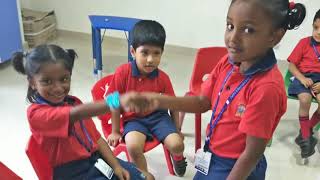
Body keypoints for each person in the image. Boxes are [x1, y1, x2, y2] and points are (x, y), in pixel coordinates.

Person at [128, 1, 306, 179]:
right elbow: (202, 102)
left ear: (274, 37)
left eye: (248, 30)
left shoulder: (266, 89)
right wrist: (158, 100)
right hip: (212, 152)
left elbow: (251, 155)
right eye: (230, 26)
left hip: (236, 167)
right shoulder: (228, 62)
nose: (233, 38)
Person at [11, 44, 153, 180]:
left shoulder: (74, 102)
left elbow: (97, 139)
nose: (58, 88)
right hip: (72, 174)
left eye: (64, 79)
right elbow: (75, 114)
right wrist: (116, 101)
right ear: (32, 82)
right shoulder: (36, 114)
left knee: (148, 177)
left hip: (95, 160)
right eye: (47, 81)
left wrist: (116, 166)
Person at [105, 20, 187, 177]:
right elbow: (113, 101)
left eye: (156, 53)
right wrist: (115, 131)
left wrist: (177, 129)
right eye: (145, 53)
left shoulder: (163, 77)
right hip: (133, 119)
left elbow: (174, 105)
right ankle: (144, 176)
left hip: (158, 117)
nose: (150, 59)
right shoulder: (123, 72)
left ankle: (177, 158)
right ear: (133, 52)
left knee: (177, 144)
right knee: (133, 147)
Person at [287, 9, 320, 159]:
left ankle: (305, 131)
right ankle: (306, 139)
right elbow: (292, 66)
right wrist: (301, 78)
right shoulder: (304, 43)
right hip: (303, 77)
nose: (318, 32)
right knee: (305, 100)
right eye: (315, 27)